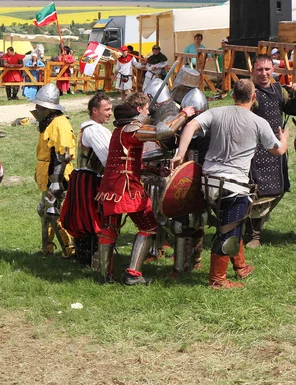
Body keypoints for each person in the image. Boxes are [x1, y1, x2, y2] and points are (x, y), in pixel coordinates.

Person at [172, 79, 289, 288]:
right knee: (228, 232)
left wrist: (180, 154)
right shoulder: (258, 122)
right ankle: (217, 280)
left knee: (232, 224)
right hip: (233, 186)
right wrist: (285, 139)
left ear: (233, 95)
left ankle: (241, 267)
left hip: (208, 183)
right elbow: (278, 150)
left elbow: (190, 125)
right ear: (253, 97)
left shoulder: (216, 112)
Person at [96, 92, 195, 284]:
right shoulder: (132, 129)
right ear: (139, 110)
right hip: (125, 188)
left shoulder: (119, 131)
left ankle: (104, 276)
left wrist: (153, 170)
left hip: (111, 187)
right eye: (147, 108)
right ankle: (132, 275)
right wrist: (184, 114)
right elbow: (162, 132)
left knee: (109, 230)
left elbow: (128, 161)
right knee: (148, 226)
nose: (149, 111)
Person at [245, 54, 296, 248]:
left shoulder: (278, 90)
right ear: (253, 71)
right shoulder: (250, 92)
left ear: (272, 70)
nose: (264, 73)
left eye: (267, 69)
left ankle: (257, 223)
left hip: (276, 147)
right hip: (256, 150)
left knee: (280, 188)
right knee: (257, 193)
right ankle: (254, 235)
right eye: (260, 69)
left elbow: (291, 108)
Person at [60, 92, 112, 273]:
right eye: (106, 110)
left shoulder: (92, 128)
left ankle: (87, 257)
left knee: (87, 218)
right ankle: (90, 258)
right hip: (90, 179)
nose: (109, 113)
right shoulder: (94, 130)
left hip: (85, 178)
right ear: (94, 111)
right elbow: (108, 159)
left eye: (111, 109)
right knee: (90, 219)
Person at [32, 84, 76, 258]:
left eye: (39, 107)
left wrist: (56, 182)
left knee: (54, 212)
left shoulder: (60, 123)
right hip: (48, 172)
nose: (36, 109)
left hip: (58, 175)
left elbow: (63, 155)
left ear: (49, 108)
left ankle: (69, 248)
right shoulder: (48, 122)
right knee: (45, 211)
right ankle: (47, 248)